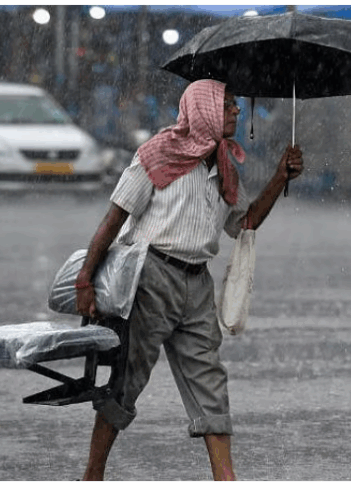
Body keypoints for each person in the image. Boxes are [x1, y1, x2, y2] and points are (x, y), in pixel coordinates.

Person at [74, 79, 304, 481]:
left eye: (235, 105)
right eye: (228, 105)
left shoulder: (225, 167)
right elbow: (114, 219)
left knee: (210, 383)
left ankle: (225, 479)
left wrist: (280, 176)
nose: (236, 111)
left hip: (197, 285)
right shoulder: (156, 154)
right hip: (150, 279)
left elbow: (246, 222)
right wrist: (85, 280)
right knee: (126, 381)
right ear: (206, 111)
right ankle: (93, 476)